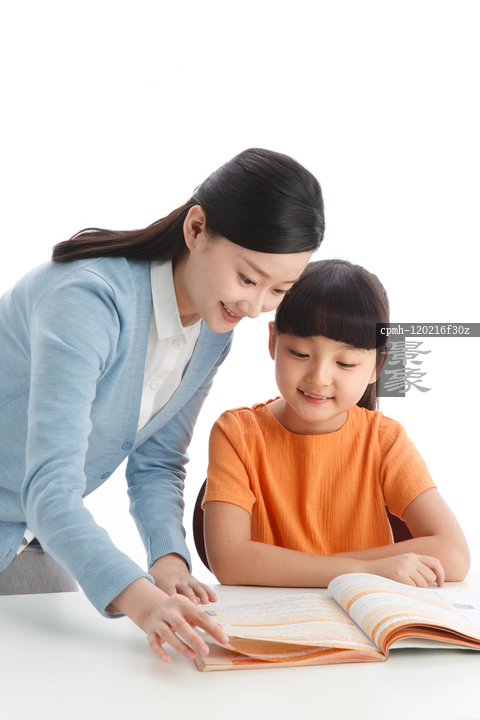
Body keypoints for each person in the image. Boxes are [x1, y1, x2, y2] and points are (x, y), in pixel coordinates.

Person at [0, 148, 325, 663]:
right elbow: (50, 487)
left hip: (30, 533)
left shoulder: (213, 331)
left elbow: (157, 462)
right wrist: (146, 604)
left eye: (279, 290)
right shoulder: (87, 300)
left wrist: (168, 561)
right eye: (247, 278)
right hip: (33, 516)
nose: (254, 307)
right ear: (196, 229)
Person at [203, 259, 470, 589]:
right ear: (272, 341)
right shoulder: (236, 433)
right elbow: (229, 562)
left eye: (345, 363)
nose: (318, 378)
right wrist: (364, 569)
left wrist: (301, 568)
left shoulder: (384, 439)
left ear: (377, 366)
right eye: (300, 353)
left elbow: (454, 554)